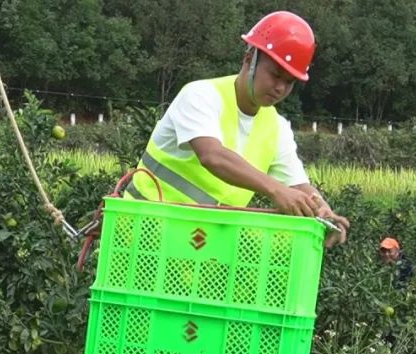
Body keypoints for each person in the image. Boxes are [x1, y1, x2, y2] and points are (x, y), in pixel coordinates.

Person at [123, 11, 349, 247]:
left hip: (196, 254)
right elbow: (212, 155)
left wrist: (320, 206)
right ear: (249, 58)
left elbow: (297, 185)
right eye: (275, 74)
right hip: (140, 240)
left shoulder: (277, 128)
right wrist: (275, 190)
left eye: (290, 81)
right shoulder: (201, 96)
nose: (280, 88)